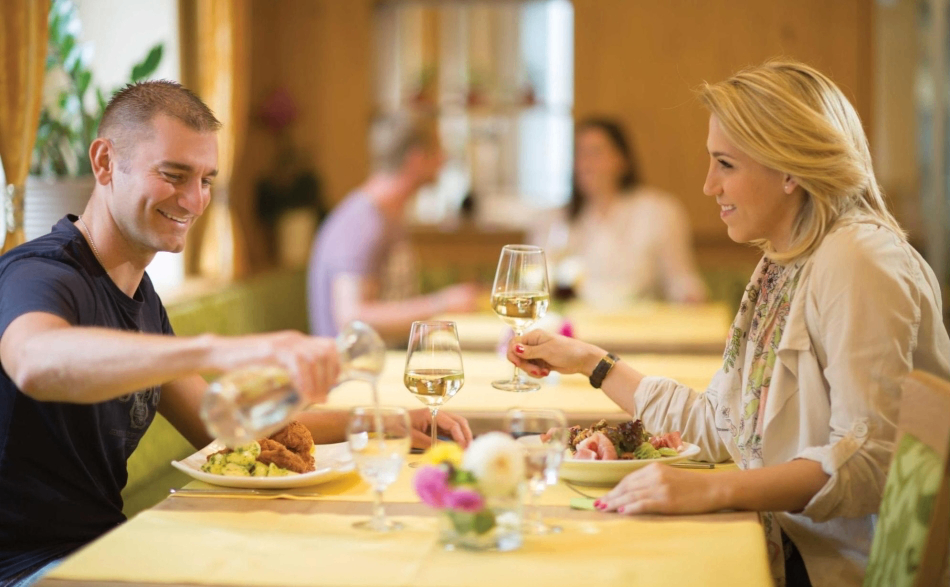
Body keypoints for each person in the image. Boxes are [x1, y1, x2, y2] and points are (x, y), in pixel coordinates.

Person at [0, 81, 472, 586]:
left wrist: (383, 422)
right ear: (105, 163)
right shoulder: (38, 272)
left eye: (206, 179)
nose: (194, 199)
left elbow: (221, 425)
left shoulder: (139, 297)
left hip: (111, 549)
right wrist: (219, 349)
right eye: (174, 175)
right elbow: (34, 361)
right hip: (32, 568)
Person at [507, 61, 950, 587]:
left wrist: (715, 490)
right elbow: (722, 426)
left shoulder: (858, 260)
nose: (708, 184)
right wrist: (589, 362)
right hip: (789, 542)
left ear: (790, 169)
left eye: (725, 164)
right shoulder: (784, 260)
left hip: (829, 566)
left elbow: (868, 464)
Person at [307, 115, 478, 340]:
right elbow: (351, 317)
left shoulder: (387, 214)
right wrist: (441, 303)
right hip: (358, 371)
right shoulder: (362, 222)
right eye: (438, 150)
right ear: (416, 158)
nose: (444, 159)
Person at [539, 117, 706, 304]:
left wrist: (691, 298)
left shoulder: (658, 211)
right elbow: (539, 281)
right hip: (575, 326)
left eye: (596, 153)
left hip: (640, 325)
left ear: (622, 160)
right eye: (580, 154)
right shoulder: (555, 219)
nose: (586, 164)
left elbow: (680, 279)